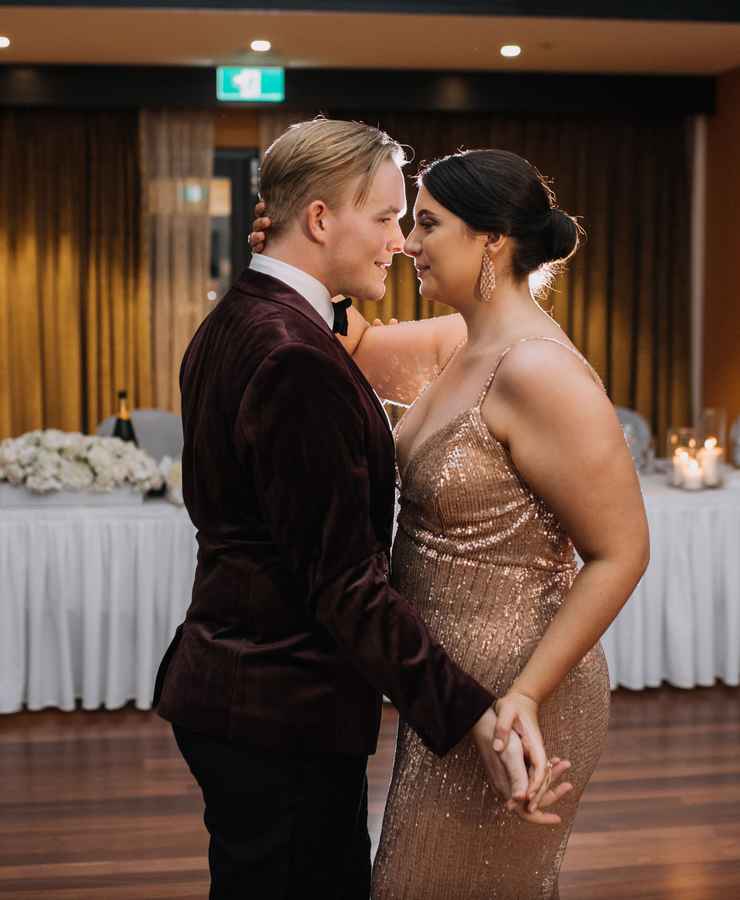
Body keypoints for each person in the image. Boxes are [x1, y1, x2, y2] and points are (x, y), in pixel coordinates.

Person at [153, 120, 568, 900]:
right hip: (278, 708)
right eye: (384, 217)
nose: (398, 241)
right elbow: (346, 585)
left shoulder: (241, 318)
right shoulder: (293, 359)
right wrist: (472, 716)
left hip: (236, 687)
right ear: (318, 220)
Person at [250, 145, 650, 898]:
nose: (406, 244)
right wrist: (296, 257)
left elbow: (623, 551)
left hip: (516, 696)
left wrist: (524, 697)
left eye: (427, 223)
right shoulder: (456, 340)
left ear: (490, 239)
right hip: (450, 695)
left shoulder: (537, 370)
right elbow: (351, 345)